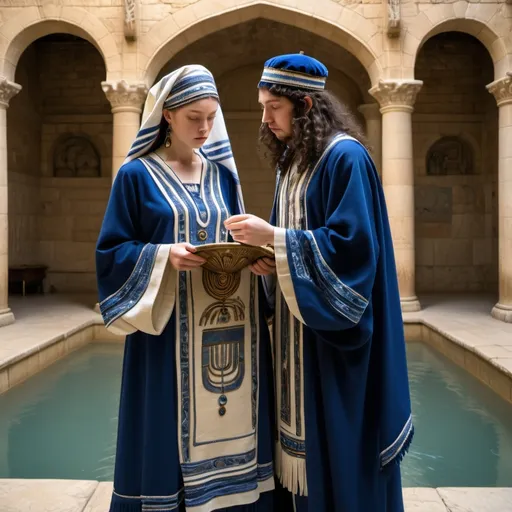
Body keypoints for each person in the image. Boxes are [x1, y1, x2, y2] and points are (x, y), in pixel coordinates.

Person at [224, 53, 413, 512]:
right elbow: (300, 243)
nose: (265, 119)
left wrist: (276, 239)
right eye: (263, 106)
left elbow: (353, 250)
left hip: (334, 342)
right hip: (300, 336)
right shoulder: (293, 162)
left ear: (306, 105)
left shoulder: (344, 157)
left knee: (340, 446)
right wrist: (272, 260)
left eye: (274, 107)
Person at [96, 65, 277, 512]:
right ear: (167, 116)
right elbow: (112, 251)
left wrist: (255, 257)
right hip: (167, 337)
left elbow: (235, 237)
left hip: (231, 330)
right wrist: (162, 256)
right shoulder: (136, 176)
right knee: (168, 428)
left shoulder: (222, 177)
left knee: (238, 416)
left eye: (211, 117)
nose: (204, 127)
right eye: (194, 116)